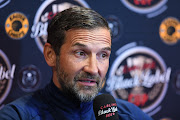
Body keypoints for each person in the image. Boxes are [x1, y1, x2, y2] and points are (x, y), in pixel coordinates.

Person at [0, 6, 153, 120]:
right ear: (51, 55)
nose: (93, 69)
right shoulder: (17, 116)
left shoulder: (130, 115)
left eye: (103, 55)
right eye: (81, 53)